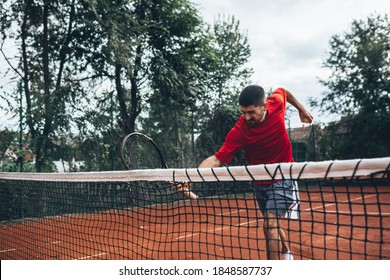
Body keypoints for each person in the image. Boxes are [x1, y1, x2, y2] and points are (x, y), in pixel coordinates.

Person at [197, 85, 313, 260]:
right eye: (243, 112)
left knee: (270, 223)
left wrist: (302, 110)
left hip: (283, 174)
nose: (246, 117)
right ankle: (287, 255)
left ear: (264, 106)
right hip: (259, 180)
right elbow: (216, 159)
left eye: (251, 112)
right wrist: (188, 179)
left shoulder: (276, 103)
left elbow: (284, 91)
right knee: (270, 222)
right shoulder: (240, 130)